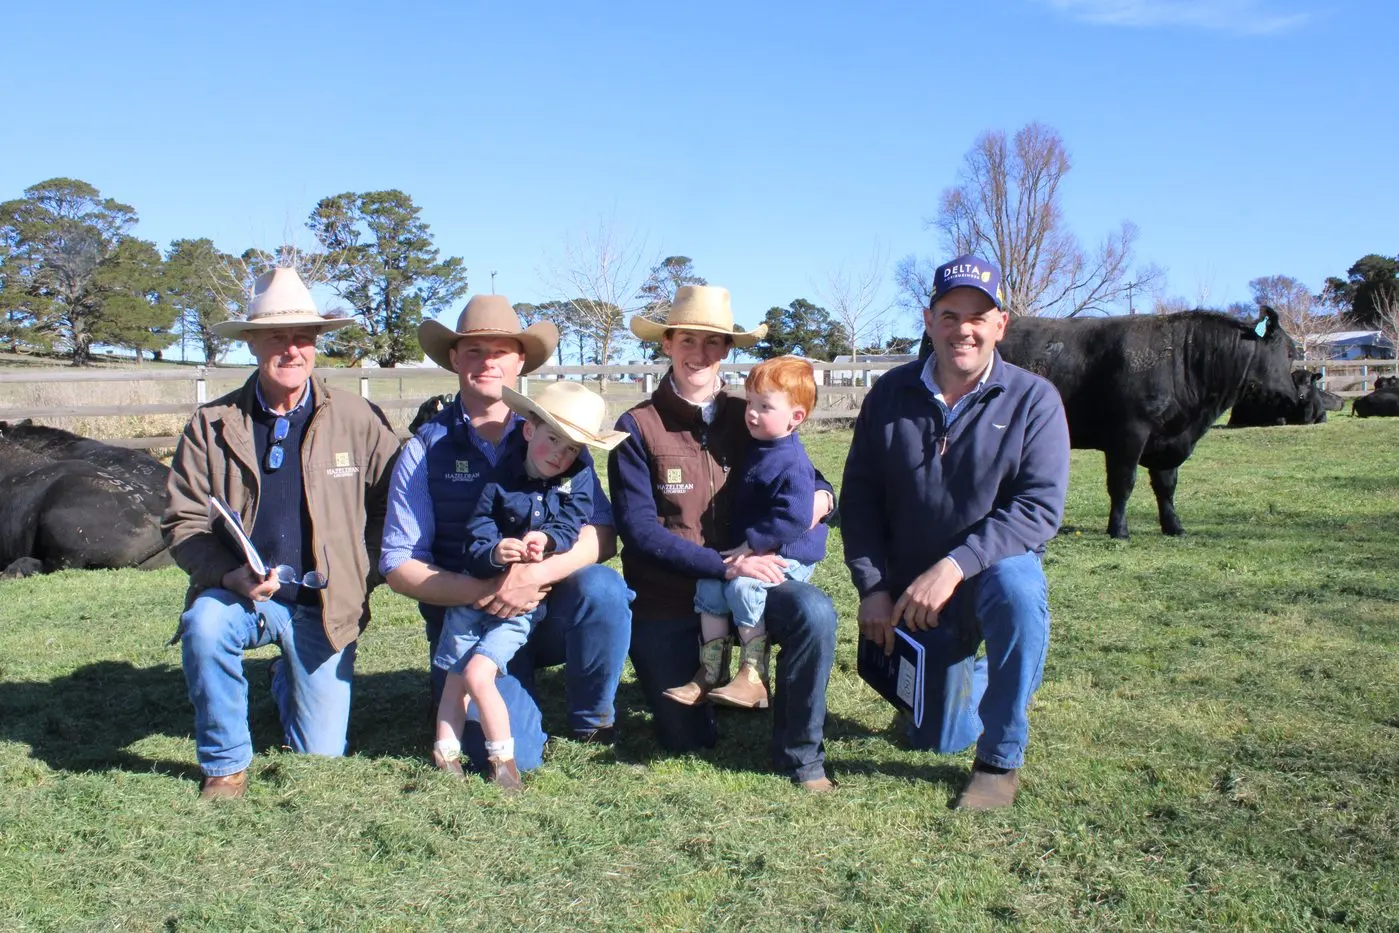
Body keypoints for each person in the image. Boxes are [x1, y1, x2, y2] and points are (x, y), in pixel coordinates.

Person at [840, 254, 1070, 810]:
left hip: (987, 575)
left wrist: (955, 565)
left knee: (1019, 590)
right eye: (949, 315)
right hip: (913, 598)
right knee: (936, 737)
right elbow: (861, 498)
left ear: (1000, 324)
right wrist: (873, 586)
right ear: (928, 320)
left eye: (977, 317)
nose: (962, 330)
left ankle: (999, 758)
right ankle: (975, 677)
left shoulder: (1033, 399)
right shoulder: (890, 395)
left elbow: (1039, 508)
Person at [163, 267, 401, 799]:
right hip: (245, 597)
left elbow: (396, 501)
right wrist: (229, 575)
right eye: (277, 337)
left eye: (303, 338)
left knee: (320, 753)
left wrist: (362, 568)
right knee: (204, 623)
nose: (292, 350)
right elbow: (184, 521)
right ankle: (225, 764)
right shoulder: (213, 423)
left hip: (326, 606)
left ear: (317, 344)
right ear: (252, 343)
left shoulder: (358, 417)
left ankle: (284, 677)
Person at [381, 295, 631, 774]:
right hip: (469, 620)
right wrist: (487, 589)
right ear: (454, 358)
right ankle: (483, 695)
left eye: (500, 351)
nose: (487, 361)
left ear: (521, 361)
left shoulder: (560, 438)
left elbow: (602, 533)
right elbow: (398, 561)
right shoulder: (425, 449)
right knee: (513, 756)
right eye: (473, 350)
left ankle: (592, 719)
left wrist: (532, 576)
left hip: (547, 607)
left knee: (603, 588)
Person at [609, 285, 839, 792]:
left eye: (713, 342)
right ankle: (722, 679)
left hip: (758, 574)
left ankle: (801, 756)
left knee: (815, 612)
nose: (700, 352)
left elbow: (804, 474)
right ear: (666, 344)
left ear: (727, 350)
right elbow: (640, 531)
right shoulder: (638, 428)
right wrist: (724, 566)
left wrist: (825, 499)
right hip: (671, 594)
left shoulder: (751, 413)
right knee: (685, 739)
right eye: (687, 339)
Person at [433, 382, 627, 790]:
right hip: (476, 594)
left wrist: (551, 541)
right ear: (528, 431)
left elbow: (578, 521)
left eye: (572, 447)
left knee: (478, 674)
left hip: (529, 606)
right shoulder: (500, 477)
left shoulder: (579, 477)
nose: (560, 453)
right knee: (457, 673)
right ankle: (445, 749)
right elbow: (479, 524)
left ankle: (508, 758)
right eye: (553, 439)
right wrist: (493, 551)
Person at [671, 355, 827, 710]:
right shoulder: (759, 444)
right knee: (709, 584)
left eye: (764, 406)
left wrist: (751, 544)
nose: (751, 413)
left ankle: (754, 676)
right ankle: (710, 670)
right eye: (751, 402)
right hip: (754, 547)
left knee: (744, 586)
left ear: (796, 417)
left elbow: (794, 518)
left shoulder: (792, 461)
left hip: (788, 553)